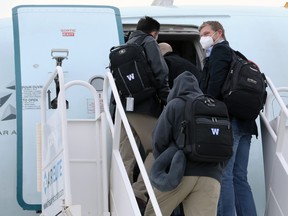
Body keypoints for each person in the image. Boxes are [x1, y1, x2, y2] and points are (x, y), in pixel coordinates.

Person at [144, 71, 225, 216]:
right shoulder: (213, 108)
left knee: (153, 213)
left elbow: (159, 140)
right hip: (212, 176)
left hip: (180, 172)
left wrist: (165, 163)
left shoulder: (175, 104)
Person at [198, 20, 258, 216]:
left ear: (219, 33)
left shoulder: (220, 52)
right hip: (246, 123)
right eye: (201, 34)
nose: (203, 38)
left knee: (224, 175)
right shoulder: (237, 55)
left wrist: (204, 107)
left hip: (230, 122)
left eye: (206, 33)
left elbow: (215, 85)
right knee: (240, 177)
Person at [119, 16, 170, 214]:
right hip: (145, 106)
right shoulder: (149, 42)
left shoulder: (122, 47)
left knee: (126, 154)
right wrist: (167, 98)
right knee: (156, 150)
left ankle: (120, 191)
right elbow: (160, 71)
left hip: (124, 107)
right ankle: (138, 193)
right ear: (154, 33)